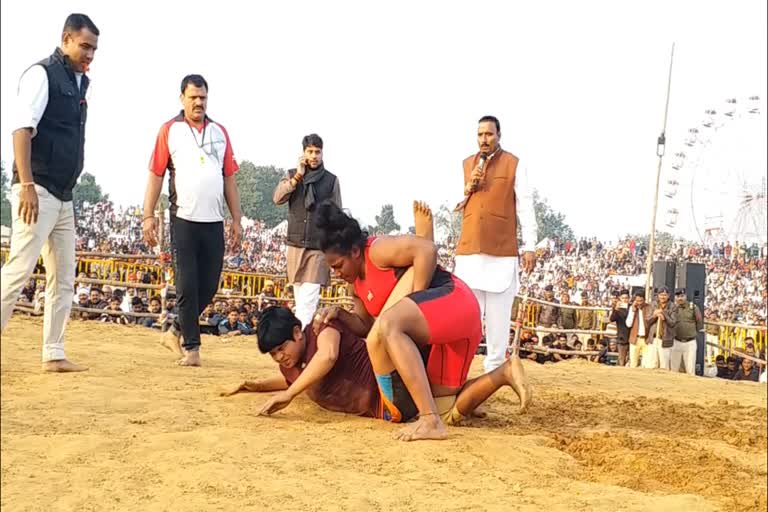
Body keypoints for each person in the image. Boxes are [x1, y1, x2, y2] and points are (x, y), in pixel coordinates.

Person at [311, 200, 531, 442]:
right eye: (332, 269)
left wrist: (417, 298)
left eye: (339, 265)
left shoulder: (376, 251)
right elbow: (367, 328)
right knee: (447, 409)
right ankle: (504, 372)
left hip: (454, 302)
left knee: (391, 324)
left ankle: (429, 420)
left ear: (354, 252)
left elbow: (426, 249)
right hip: (444, 334)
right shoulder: (355, 288)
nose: (337, 273)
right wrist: (342, 315)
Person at [224, 304, 529, 435]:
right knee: (447, 402)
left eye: (281, 348)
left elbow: (327, 357)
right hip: (391, 391)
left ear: (297, 333)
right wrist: (253, 385)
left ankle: (502, 373)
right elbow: (293, 377)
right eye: (273, 354)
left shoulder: (321, 329)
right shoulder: (296, 365)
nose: (280, 357)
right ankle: (497, 378)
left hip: (388, 393)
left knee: (448, 414)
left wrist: (290, 395)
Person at [0, 13, 99, 373]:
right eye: (85, 46)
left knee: (64, 277)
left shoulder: (78, 83)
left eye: (94, 49)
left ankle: (54, 352)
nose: (90, 54)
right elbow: (21, 130)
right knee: (19, 270)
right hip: (37, 188)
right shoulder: (42, 74)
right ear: (66, 39)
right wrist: (26, 185)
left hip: (64, 193)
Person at [142, 74, 242, 366]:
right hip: (183, 218)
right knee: (187, 284)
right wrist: (148, 215)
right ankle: (192, 348)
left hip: (213, 220)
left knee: (209, 284)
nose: (198, 102)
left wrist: (236, 219)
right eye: (193, 97)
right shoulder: (169, 130)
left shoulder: (220, 132)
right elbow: (156, 174)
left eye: (203, 97)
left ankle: (173, 331)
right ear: (182, 98)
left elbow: (229, 179)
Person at [452, 115, 538, 374]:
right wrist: (469, 187)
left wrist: (530, 245)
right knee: (468, 319)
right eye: (480, 135)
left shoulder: (513, 164)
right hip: (469, 252)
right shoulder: (468, 164)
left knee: (499, 323)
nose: (483, 140)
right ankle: (459, 373)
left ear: (499, 135)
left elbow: (525, 205)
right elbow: (453, 204)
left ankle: (493, 374)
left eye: (488, 134)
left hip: (501, 252)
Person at [273, 134, 342, 329]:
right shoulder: (292, 174)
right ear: (303, 153)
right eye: (310, 151)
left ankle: (300, 340)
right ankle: (304, 339)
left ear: (322, 153)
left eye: (317, 152)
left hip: (319, 246)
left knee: (309, 300)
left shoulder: (331, 180)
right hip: (295, 244)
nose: (314, 156)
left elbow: (337, 214)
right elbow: (277, 198)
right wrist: (297, 177)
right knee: (300, 297)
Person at [672, 288, 703, 375]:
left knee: (690, 369)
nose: (680, 298)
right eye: (678, 296)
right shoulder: (673, 308)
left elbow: (699, 321)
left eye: (682, 296)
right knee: (673, 369)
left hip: (690, 342)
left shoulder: (693, 307)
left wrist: (693, 332)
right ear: (675, 297)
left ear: (686, 296)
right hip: (676, 341)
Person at [645, 287, 678, 370]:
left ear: (668, 296)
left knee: (664, 364)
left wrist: (664, 314)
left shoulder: (673, 306)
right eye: (661, 295)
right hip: (653, 337)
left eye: (665, 295)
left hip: (665, 338)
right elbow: (647, 320)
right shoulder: (653, 305)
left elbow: (673, 322)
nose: (663, 297)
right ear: (658, 295)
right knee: (651, 363)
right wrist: (655, 315)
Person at [625, 291, 652, 368]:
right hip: (635, 338)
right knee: (633, 364)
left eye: (641, 301)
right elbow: (628, 324)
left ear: (644, 300)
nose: (639, 303)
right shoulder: (632, 308)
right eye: (637, 301)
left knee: (646, 365)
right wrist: (633, 311)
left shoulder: (649, 308)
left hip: (646, 339)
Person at [609, 290, 631, 367]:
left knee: (631, 361)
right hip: (622, 337)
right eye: (623, 298)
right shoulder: (617, 309)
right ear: (620, 299)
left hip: (632, 337)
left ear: (629, 298)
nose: (625, 300)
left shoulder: (632, 308)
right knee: (622, 360)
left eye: (626, 298)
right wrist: (616, 309)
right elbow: (612, 319)